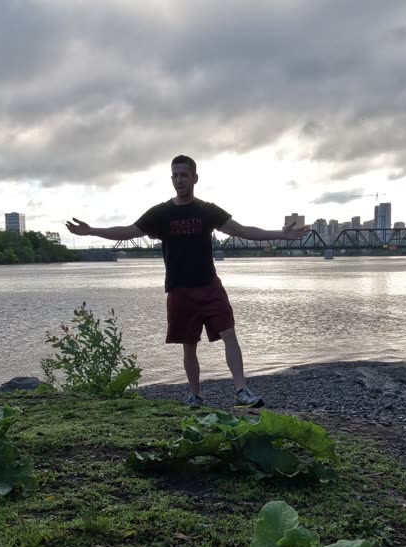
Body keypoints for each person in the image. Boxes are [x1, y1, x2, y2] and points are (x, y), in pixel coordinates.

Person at [65, 154, 307, 409]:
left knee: (229, 334)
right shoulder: (161, 213)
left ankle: (241, 390)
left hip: (210, 286)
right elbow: (127, 232)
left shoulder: (207, 211)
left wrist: (281, 235)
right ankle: (195, 395)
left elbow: (243, 231)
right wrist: (91, 231)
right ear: (172, 179)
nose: (180, 180)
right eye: (175, 175)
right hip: (179, 290)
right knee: (189, 345)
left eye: (184, 175)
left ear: (195, 178)